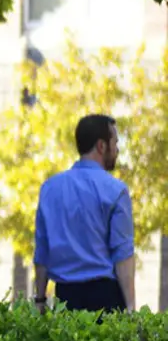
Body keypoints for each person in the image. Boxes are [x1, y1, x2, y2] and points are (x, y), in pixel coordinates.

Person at [32, 114, 136, 313]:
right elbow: (123, 254)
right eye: (115, 142)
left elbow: (42, 250)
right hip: (106, 299)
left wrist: (40, 299)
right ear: (101, 146)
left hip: (65, 299)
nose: (118, 149)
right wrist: (131, 307)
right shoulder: (116, 191)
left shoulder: (50, 189)